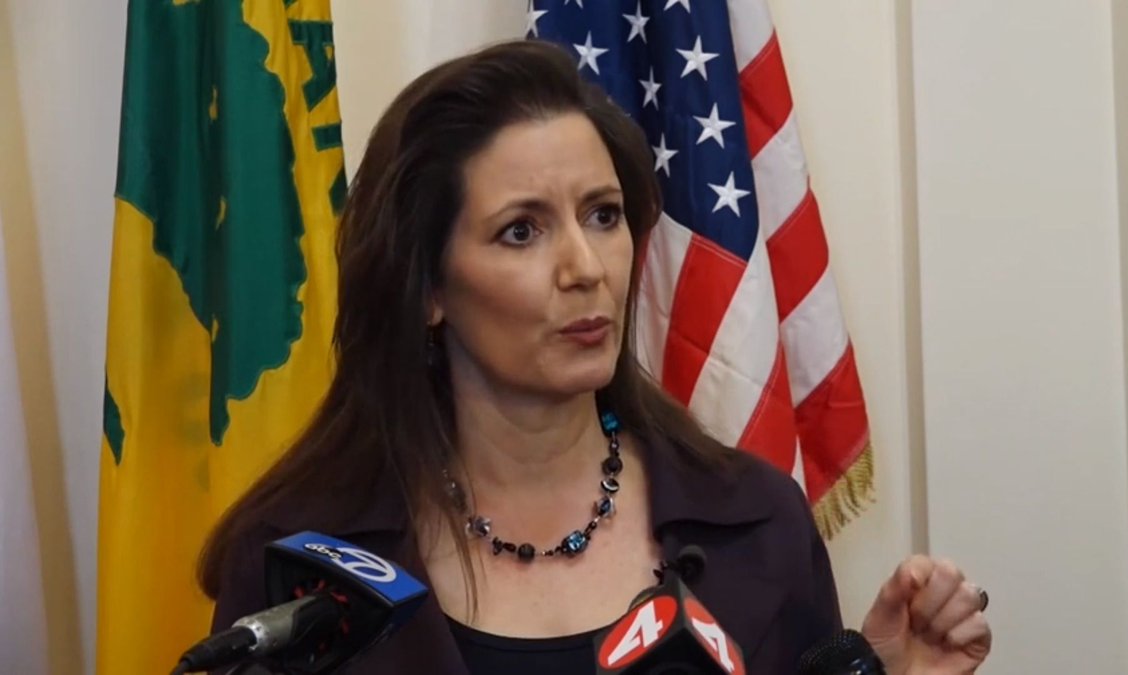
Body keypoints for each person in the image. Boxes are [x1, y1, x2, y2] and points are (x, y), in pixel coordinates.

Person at [199, 39, 992, 674]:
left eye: (604, 215)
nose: (586, 267)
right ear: (428, 287)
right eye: (521, 230)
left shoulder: (757, 524)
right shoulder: (300, 560)